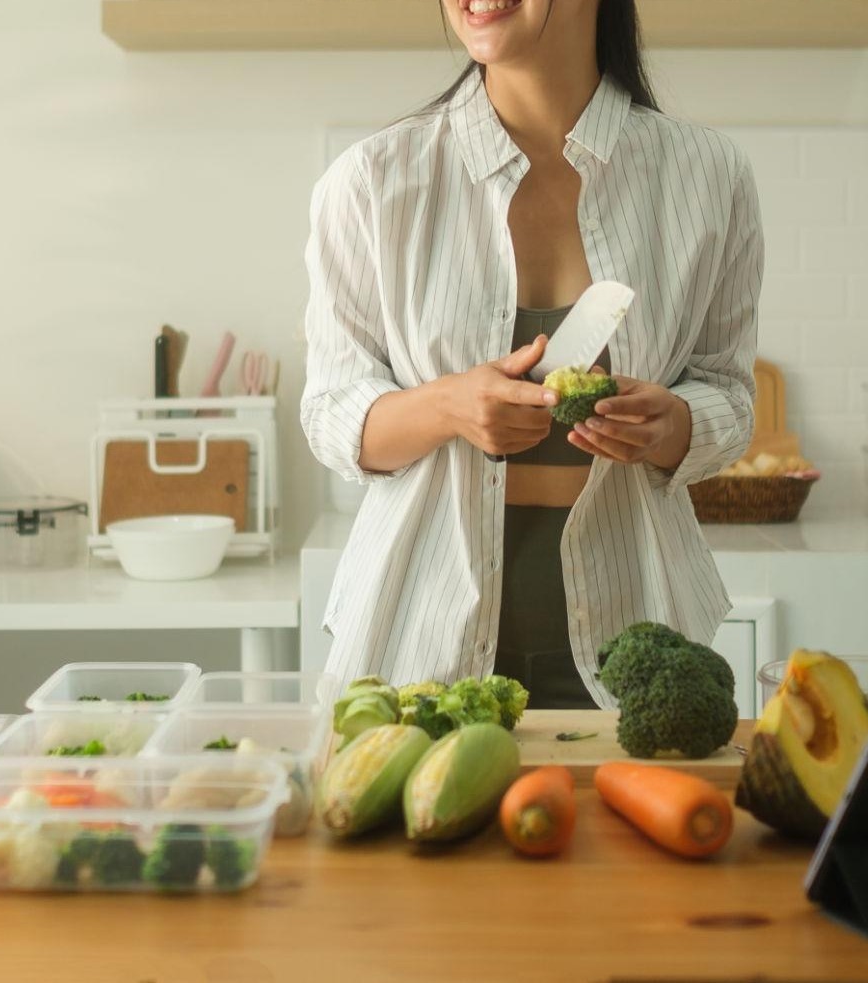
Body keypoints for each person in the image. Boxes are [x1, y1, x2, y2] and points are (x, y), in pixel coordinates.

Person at [299, 0, 762, 709]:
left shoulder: (708, 176)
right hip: (417, 634)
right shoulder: (371, 182)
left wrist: (672, 424)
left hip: (638, 635)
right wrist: (449, 406)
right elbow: (332, 413)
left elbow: (730, 394)